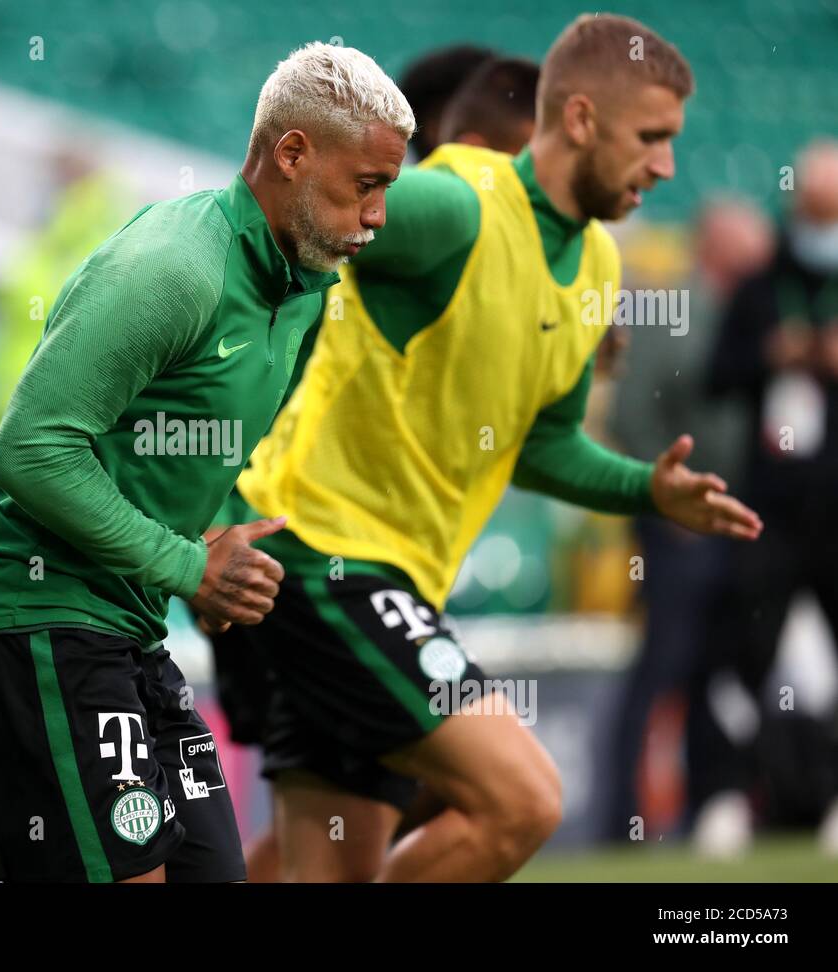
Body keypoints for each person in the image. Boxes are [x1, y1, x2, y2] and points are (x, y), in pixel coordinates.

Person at [227, 13, 761, 882]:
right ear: (580, 120)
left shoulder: (595, 267)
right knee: (523, 800)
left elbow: (543, 443)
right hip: (320, 553)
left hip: (392, 577)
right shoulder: (457, 207)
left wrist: (645, 491)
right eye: (652, 138)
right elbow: (281, 212)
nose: (667, 166)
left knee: (321, 871)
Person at [0, 42, 412, 883]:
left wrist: (214, 548)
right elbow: (30, 451)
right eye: (365, 187)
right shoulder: (173, 267)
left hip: (128, 632)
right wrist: (189, 565)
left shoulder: (306, 293)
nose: (375, 217)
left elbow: (182, 450)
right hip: (30, 620)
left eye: (386, 192)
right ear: (291, 153)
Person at [208, 46, 540, 884]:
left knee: (327, 826)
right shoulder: (370, 252)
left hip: (324, 552)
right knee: (483, 793)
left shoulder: (418, 254)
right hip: (303, 550)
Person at [604, 199, 773, 845]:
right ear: (715, 244)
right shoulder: (670, 312)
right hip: (677, 528)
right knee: (663, 666)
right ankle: (624, 819)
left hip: (736, 524)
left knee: (715, 667)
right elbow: (631, 417)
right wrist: (662, 501)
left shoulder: (752, 316)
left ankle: (711, 805)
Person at [704, 140, 838, 856]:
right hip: (772, 510)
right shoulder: (762, 287)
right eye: (815, 212)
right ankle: (728, 797)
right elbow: (717, 375)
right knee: (743, 653)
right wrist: (771, 356)